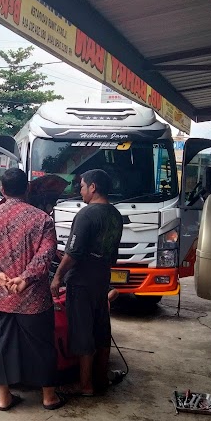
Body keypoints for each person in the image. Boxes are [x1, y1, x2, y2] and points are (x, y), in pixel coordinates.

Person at [0, 168, 65, 411]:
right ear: (28, 188)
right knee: (42, 346)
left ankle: (4, 398)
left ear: (2, 189)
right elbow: (47, 253)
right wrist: (25, 279)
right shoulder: (42, 219)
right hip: (33, 299)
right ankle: (49, 397)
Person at [50, 169, 123, 396]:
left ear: (93, 187)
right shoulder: (115, 215)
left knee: (82, 333)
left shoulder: (86, 215)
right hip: (101, 278)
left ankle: (84, 386)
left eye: (82, 186)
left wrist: (58, 276)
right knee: (100, 330)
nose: (80, 191)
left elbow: (74, 252)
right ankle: (100, 379)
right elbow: (109, 253)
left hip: (81, 281)